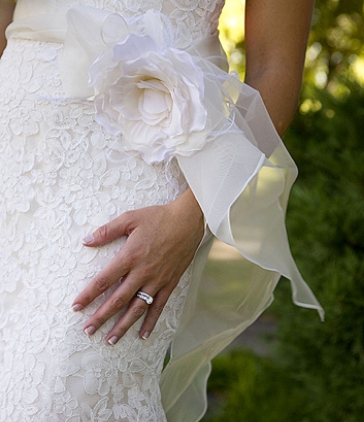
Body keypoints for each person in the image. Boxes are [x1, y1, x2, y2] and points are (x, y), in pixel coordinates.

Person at [0, 0, 323, 421]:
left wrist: (194, 213)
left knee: (56, 395)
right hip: (17, 147)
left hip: (144, 160)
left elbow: (274, 68)